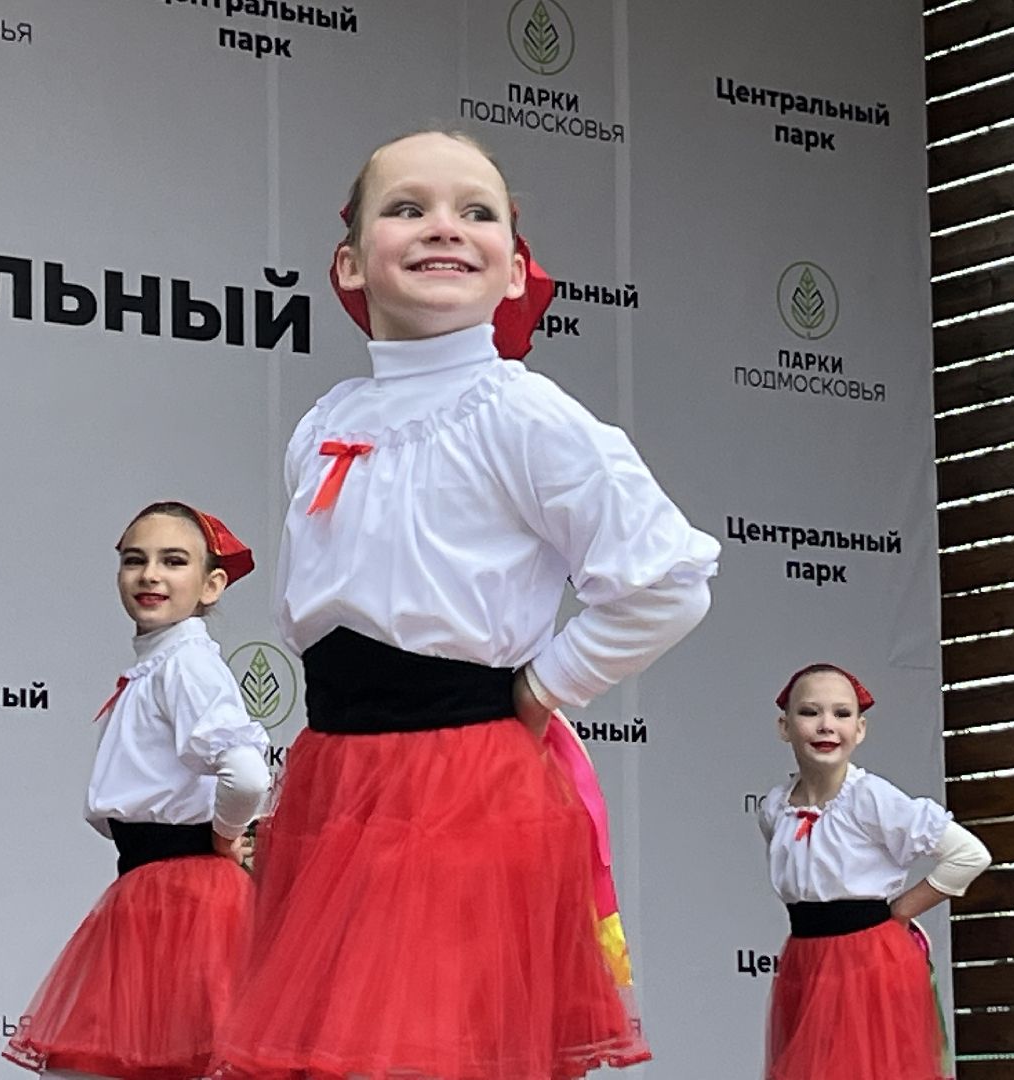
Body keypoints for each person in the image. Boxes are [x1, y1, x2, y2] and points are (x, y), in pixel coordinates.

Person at [213, 129, 719, 1079]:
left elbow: (668, 580)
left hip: (465, 785)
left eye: (476, 212)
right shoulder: (325, 423)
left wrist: (546, 684)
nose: (444, 227)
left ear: (515, 270)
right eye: (407, 208)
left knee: (433, 1047)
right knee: (330, 1050)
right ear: (350, 260)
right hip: (332, 781)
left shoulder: (523, 413)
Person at [4, 502, 271, 1080]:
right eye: (135, 560)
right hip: (156, 892)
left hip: (183, 898)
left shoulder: (186, 665)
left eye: (174, 561)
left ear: (212, 583)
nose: (150, 575)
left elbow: (247, 771)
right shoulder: (162, 664)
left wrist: (224, 838)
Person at [758, 663, 991, 1080]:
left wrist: (900, 911)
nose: (827, 725)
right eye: (810, 712)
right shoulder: (776, 808)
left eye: (842, 714)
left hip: (868, 960)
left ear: (860, 729)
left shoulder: (869, 798)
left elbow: (969, 855)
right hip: (806, 959)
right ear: (784, 726)